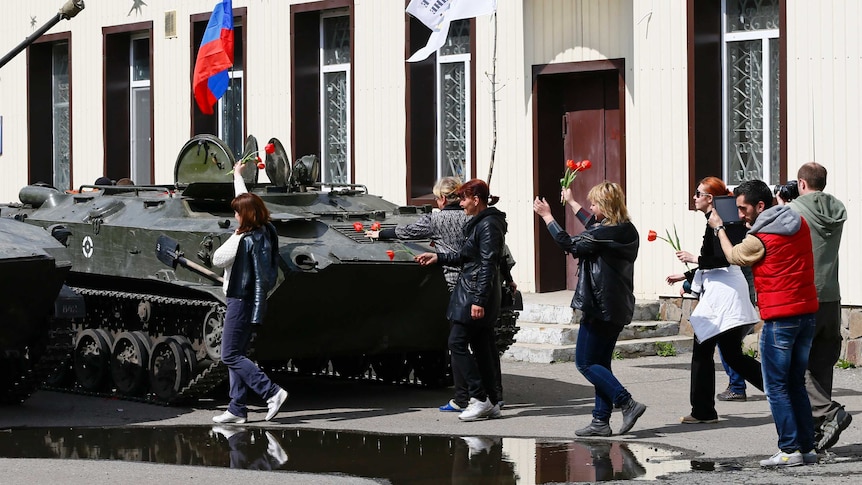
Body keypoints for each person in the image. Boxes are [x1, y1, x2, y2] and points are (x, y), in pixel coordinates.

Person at [709, 179, 818, 467]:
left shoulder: (760, 239)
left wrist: (720, 229)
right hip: (806, 313)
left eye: (744, 209)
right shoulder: (799, 223)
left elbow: (733, 256)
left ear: (760, 205)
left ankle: (789, 448)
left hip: (780, 318)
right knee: (796, 383)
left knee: (776, 386)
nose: (741, 215)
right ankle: (807, 447)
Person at [532, 181, 645, 436]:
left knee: (584, 363)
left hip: (599, 306)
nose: (591, 208)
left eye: (594, 203)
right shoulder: (625, 230)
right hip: (616, 305)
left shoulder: (604, 234)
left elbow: (570, 244)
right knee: (601, 364)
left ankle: (627, 402)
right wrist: (572, 203)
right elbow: (591, 226)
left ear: (605, 206)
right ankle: (600, 421)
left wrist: (547, 216)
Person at [367, 176, 472, 412]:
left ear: (443, 198)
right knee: (478, 343)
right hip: (477, 283)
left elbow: (408, 231)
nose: (436, 202)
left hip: (455, 284)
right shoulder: (473, 216)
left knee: (457, 343)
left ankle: (465, 397)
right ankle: (487, 394)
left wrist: (380, 234)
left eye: (436, 198)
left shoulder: (436, 219)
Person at [665, 177, 763, 424]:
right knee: (731, 355)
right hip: (723, 291)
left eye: (698, 194)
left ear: (710, 199)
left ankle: (703, 411)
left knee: (704, 351)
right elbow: (714, 261)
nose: (694, 198)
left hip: (724, 294)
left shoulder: (723, 223)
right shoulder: (717, 220)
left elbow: (726, 259)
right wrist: (686, 275)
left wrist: (694, 259)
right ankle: (782, 391)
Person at [414, 179, 507, 421]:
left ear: (476, 200)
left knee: (456, 342)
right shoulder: (483, 223)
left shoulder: (487, 226)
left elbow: (487, 265)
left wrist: (478, 300)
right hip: (475, 289)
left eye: (464, 199)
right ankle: (493, 400)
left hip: (473, 291)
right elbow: (466, 255)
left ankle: (479, 398)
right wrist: (438, 257)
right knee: (482, 346)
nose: (461, 204)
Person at [211, 161, 288, 424]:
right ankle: (237, 408)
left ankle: (272, 392)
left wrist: (235, 234)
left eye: (237, 213)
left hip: (239, 300)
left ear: (245, 217)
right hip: (247, 299)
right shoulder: (266, 229)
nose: (234, 216)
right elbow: (246, 202)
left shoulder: (243, 239)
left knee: (229, 354)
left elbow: (217, 259)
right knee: (238, 354)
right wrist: (237, 176)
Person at [787, 162, 850, 451]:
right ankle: (819, 426)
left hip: (806, 294)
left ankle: (829, 414)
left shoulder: (794, 210)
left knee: (795, 365)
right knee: (822, 364)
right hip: (832, 296)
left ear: (801, 183)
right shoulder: (836, 209)